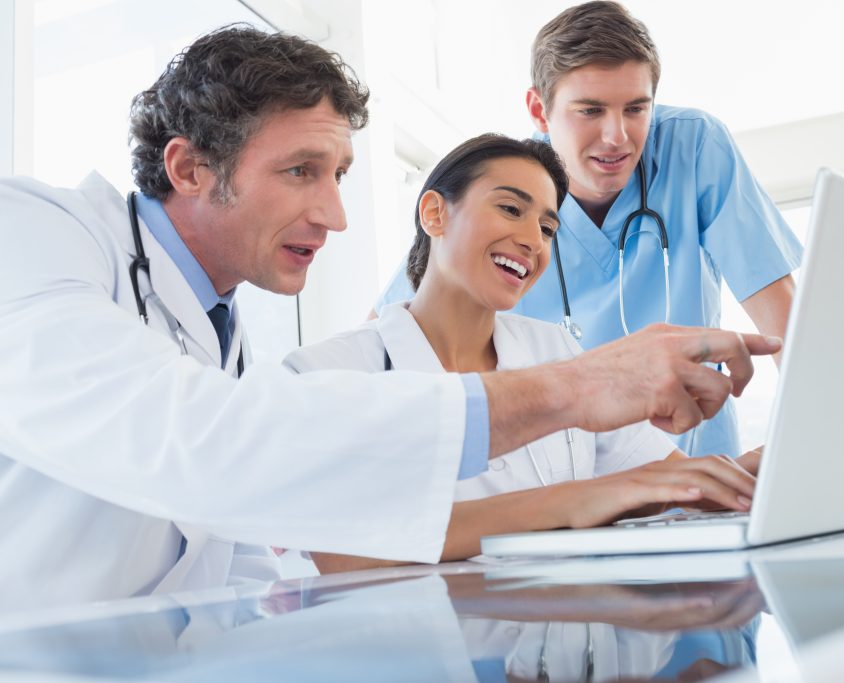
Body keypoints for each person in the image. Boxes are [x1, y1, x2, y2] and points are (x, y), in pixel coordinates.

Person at [0, 27, 781, 613]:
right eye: (302, 171)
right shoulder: (33, 230)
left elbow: (242, 568)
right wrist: (580, 390)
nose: (335, 215)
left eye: (337, 174)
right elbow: (202, 439)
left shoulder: (214, 326)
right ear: (189, 167)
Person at [285, 134, 760, 573]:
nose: (534, 241)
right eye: (511, 209)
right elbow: (341, 549)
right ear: (434, 214)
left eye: (549, 228)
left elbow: (675, 483)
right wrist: (574, 502)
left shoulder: (554, 349)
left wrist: (782, 464)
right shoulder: (327, 372)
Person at [376, 1, 803, 459]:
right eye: (591, 110)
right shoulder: (507, 185)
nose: (617, 136)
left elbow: (788, 327)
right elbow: (393, 332)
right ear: (539, 110)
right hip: (561, 473)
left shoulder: (692, 147)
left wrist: (814, 443)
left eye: (637, 108)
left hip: (695, 462)